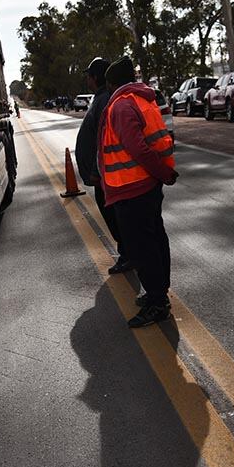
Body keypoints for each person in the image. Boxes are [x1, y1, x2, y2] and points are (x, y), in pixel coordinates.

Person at [98, 56, 179, 328]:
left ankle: (157, 302)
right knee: (155, 238)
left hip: (132, 188)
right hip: (147, 186)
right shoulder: (142, 99)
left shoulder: (121, 106)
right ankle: (159, 291)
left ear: (111, 84)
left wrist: (162, 173)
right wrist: (162, 174)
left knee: (142, 247)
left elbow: (138, 149)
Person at [75, 57, 131, 274]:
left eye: (89, 75)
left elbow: (104, 139)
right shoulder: (100, 98)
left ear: (96, 77)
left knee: (115, 215)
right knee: (112, 214)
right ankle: (126, 252)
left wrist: (97, 171)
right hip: (103, 173)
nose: (87, 79)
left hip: (107, 174)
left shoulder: (105, 99)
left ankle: (128, 254)